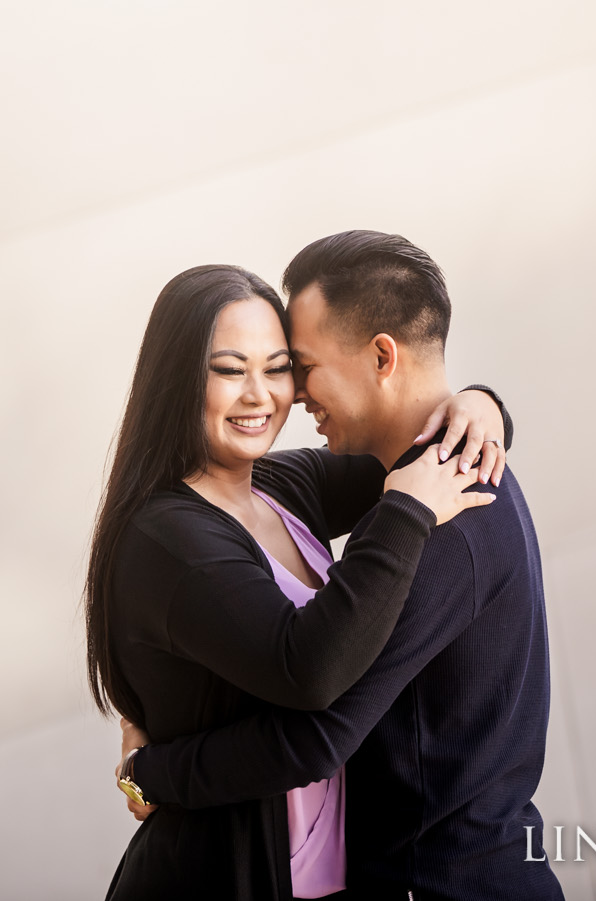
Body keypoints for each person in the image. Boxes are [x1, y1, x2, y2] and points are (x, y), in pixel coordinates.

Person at [119, 232, 561, 901]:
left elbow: (318, 727)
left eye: (292, 364)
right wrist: (481, 404)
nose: (287, 395)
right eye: (233, 368)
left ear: (382, 355)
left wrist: (152, 772)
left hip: (446, 883)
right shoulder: (424, 485)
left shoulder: (440, 511)